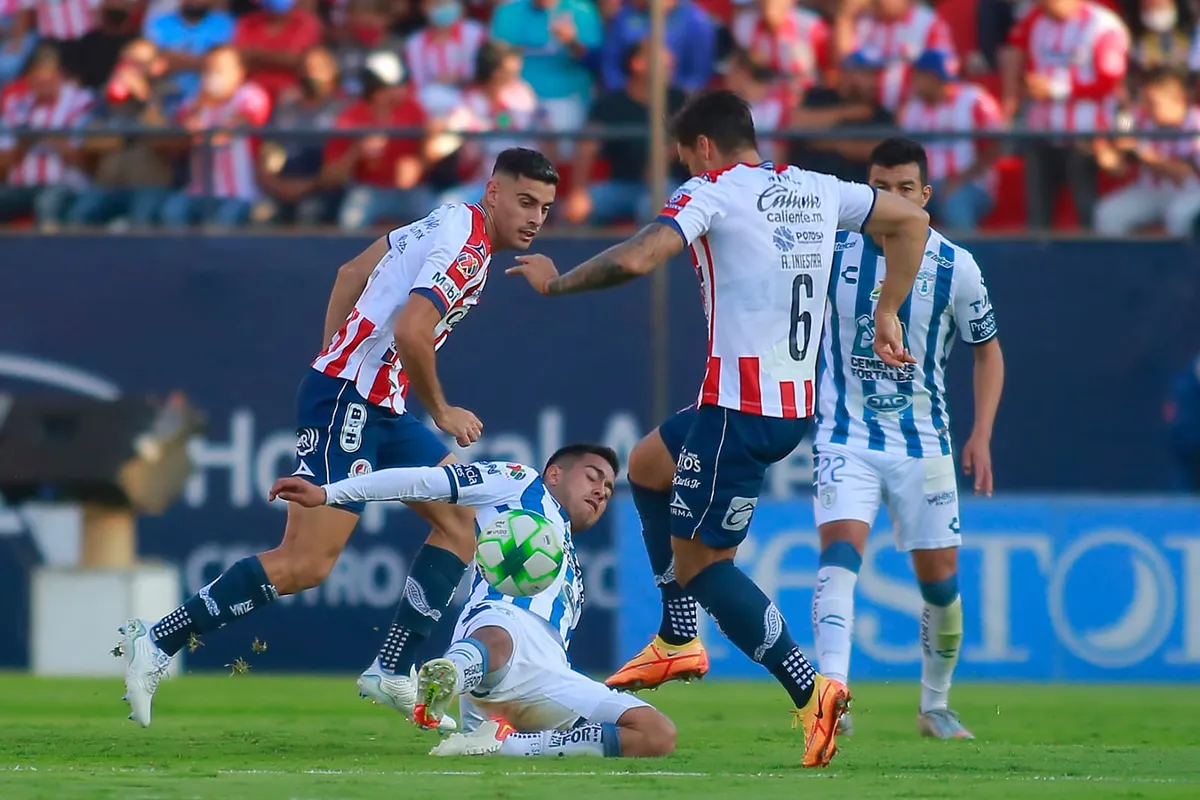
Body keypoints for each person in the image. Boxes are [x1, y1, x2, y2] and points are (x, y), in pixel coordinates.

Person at [507, 89, 930, 767]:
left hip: (740, 412)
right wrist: (888, 310)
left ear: (703, 149)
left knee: (705, 567)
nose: (687, 169)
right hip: (783, 405)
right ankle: (678, 638)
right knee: (647, 465)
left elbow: (639, 257)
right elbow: (911, 219)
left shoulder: (713, 192)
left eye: (686, 159)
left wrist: (558, 285)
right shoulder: (819, 189)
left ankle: (809, 690)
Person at [120, 147, 560, 729]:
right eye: (525, 201)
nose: (534, 217)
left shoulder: (447, 217)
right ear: (494, 192)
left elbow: (349, 274)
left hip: (379, 403)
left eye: (546, 207)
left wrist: (335, 357)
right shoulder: (467, 247)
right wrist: (441, 410)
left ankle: (391, 668)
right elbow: (411, 330)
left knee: (461, 524)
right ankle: (156, 641)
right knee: (304, 564)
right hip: (354, 403)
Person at [268, 444, 678, 759]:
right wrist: (328, 493)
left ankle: (503, 743)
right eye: (592, 476)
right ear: (555, 473)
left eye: (607, 488)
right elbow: (420, 483)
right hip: (498, 633)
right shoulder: (520, 481)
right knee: (504, 631)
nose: (600, 491)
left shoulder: (564, 551)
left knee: (656, 734)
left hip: (551, 675)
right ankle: (453, 672)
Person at [810, 137, 1005, 740]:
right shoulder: (828, 253)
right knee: (839, 555)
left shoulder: (957, 266)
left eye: (902, 189)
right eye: (878, 188)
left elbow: (988, 352)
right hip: (844, 434)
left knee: (941, 585)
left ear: (924, 196)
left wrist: (981, 435)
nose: (888, 200)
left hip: (924, 444)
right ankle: (830, 698)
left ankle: (935, 706)